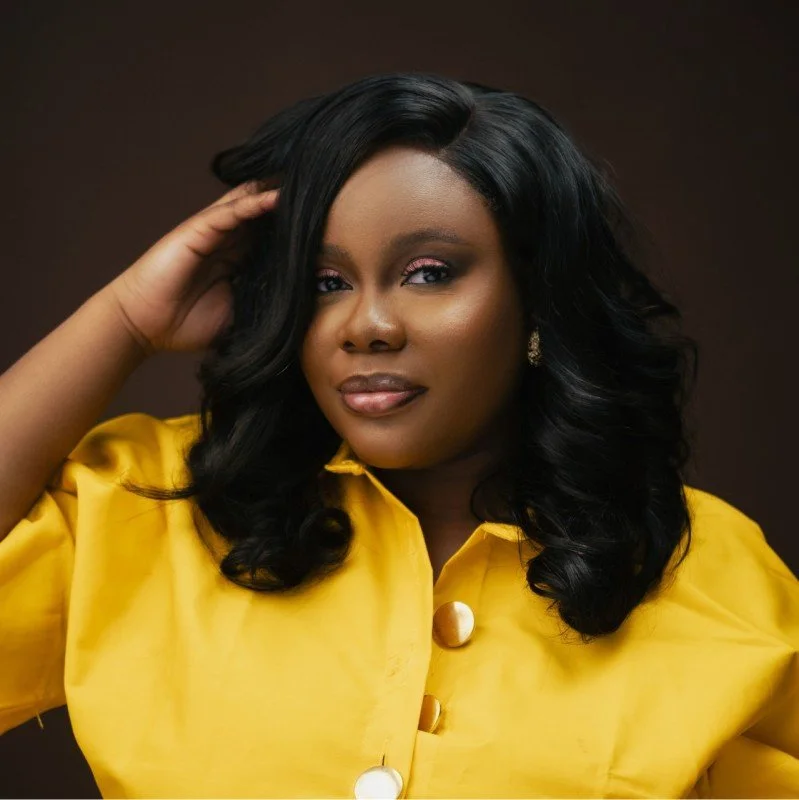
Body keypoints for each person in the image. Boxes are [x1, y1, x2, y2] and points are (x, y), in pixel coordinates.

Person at [0, 72, 796, 799]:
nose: (367, 325)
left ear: (540, 301)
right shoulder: (151, 503)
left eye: (428, 273)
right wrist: (127, 318)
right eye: (325, 282)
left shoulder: (713, 575)